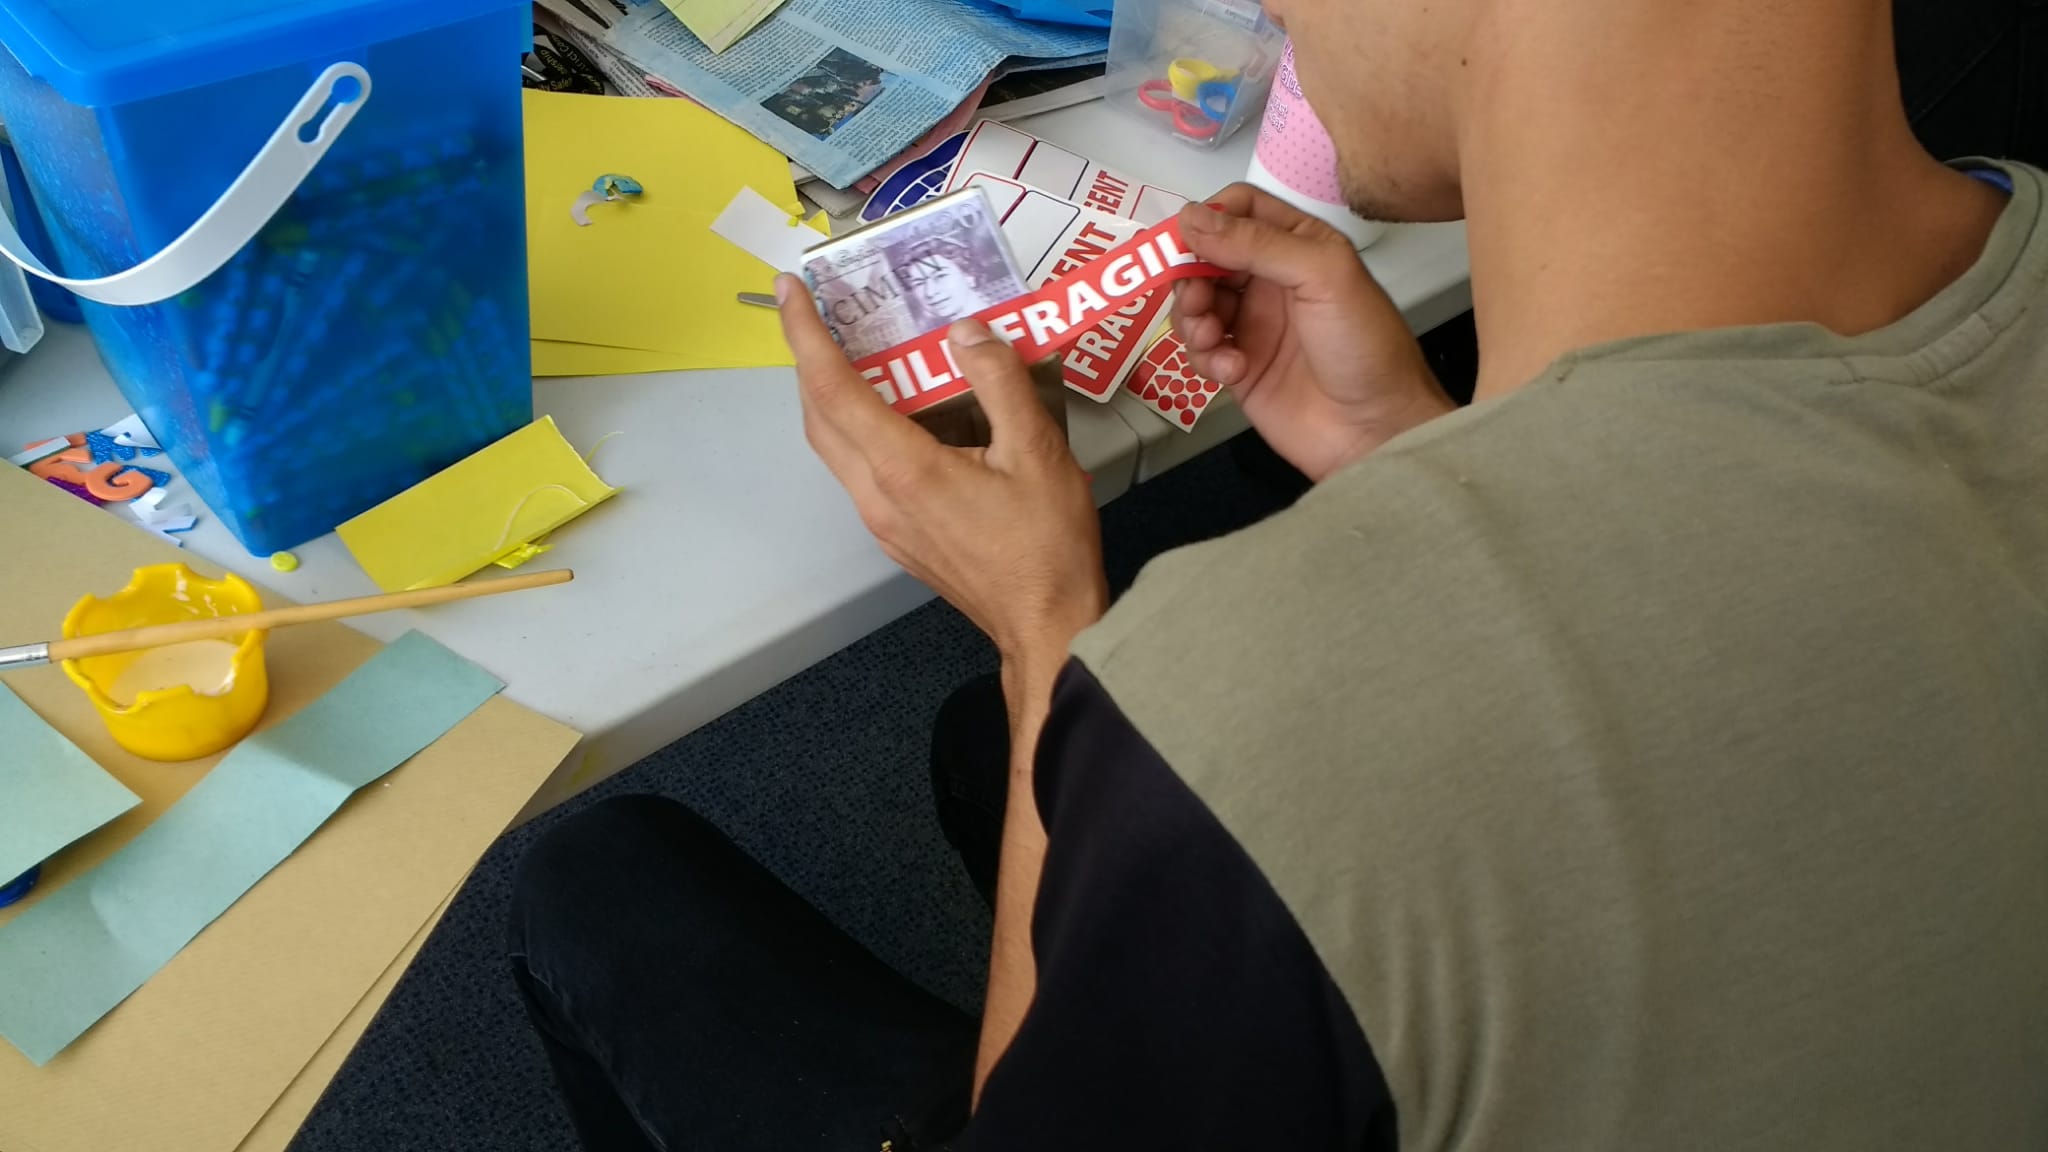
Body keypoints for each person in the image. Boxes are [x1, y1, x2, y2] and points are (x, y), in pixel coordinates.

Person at [508, 0, 2048, 1147]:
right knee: (993, 760)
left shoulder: (1264, 719)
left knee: (593, 886)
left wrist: (1052, 641)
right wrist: (1420, 460)